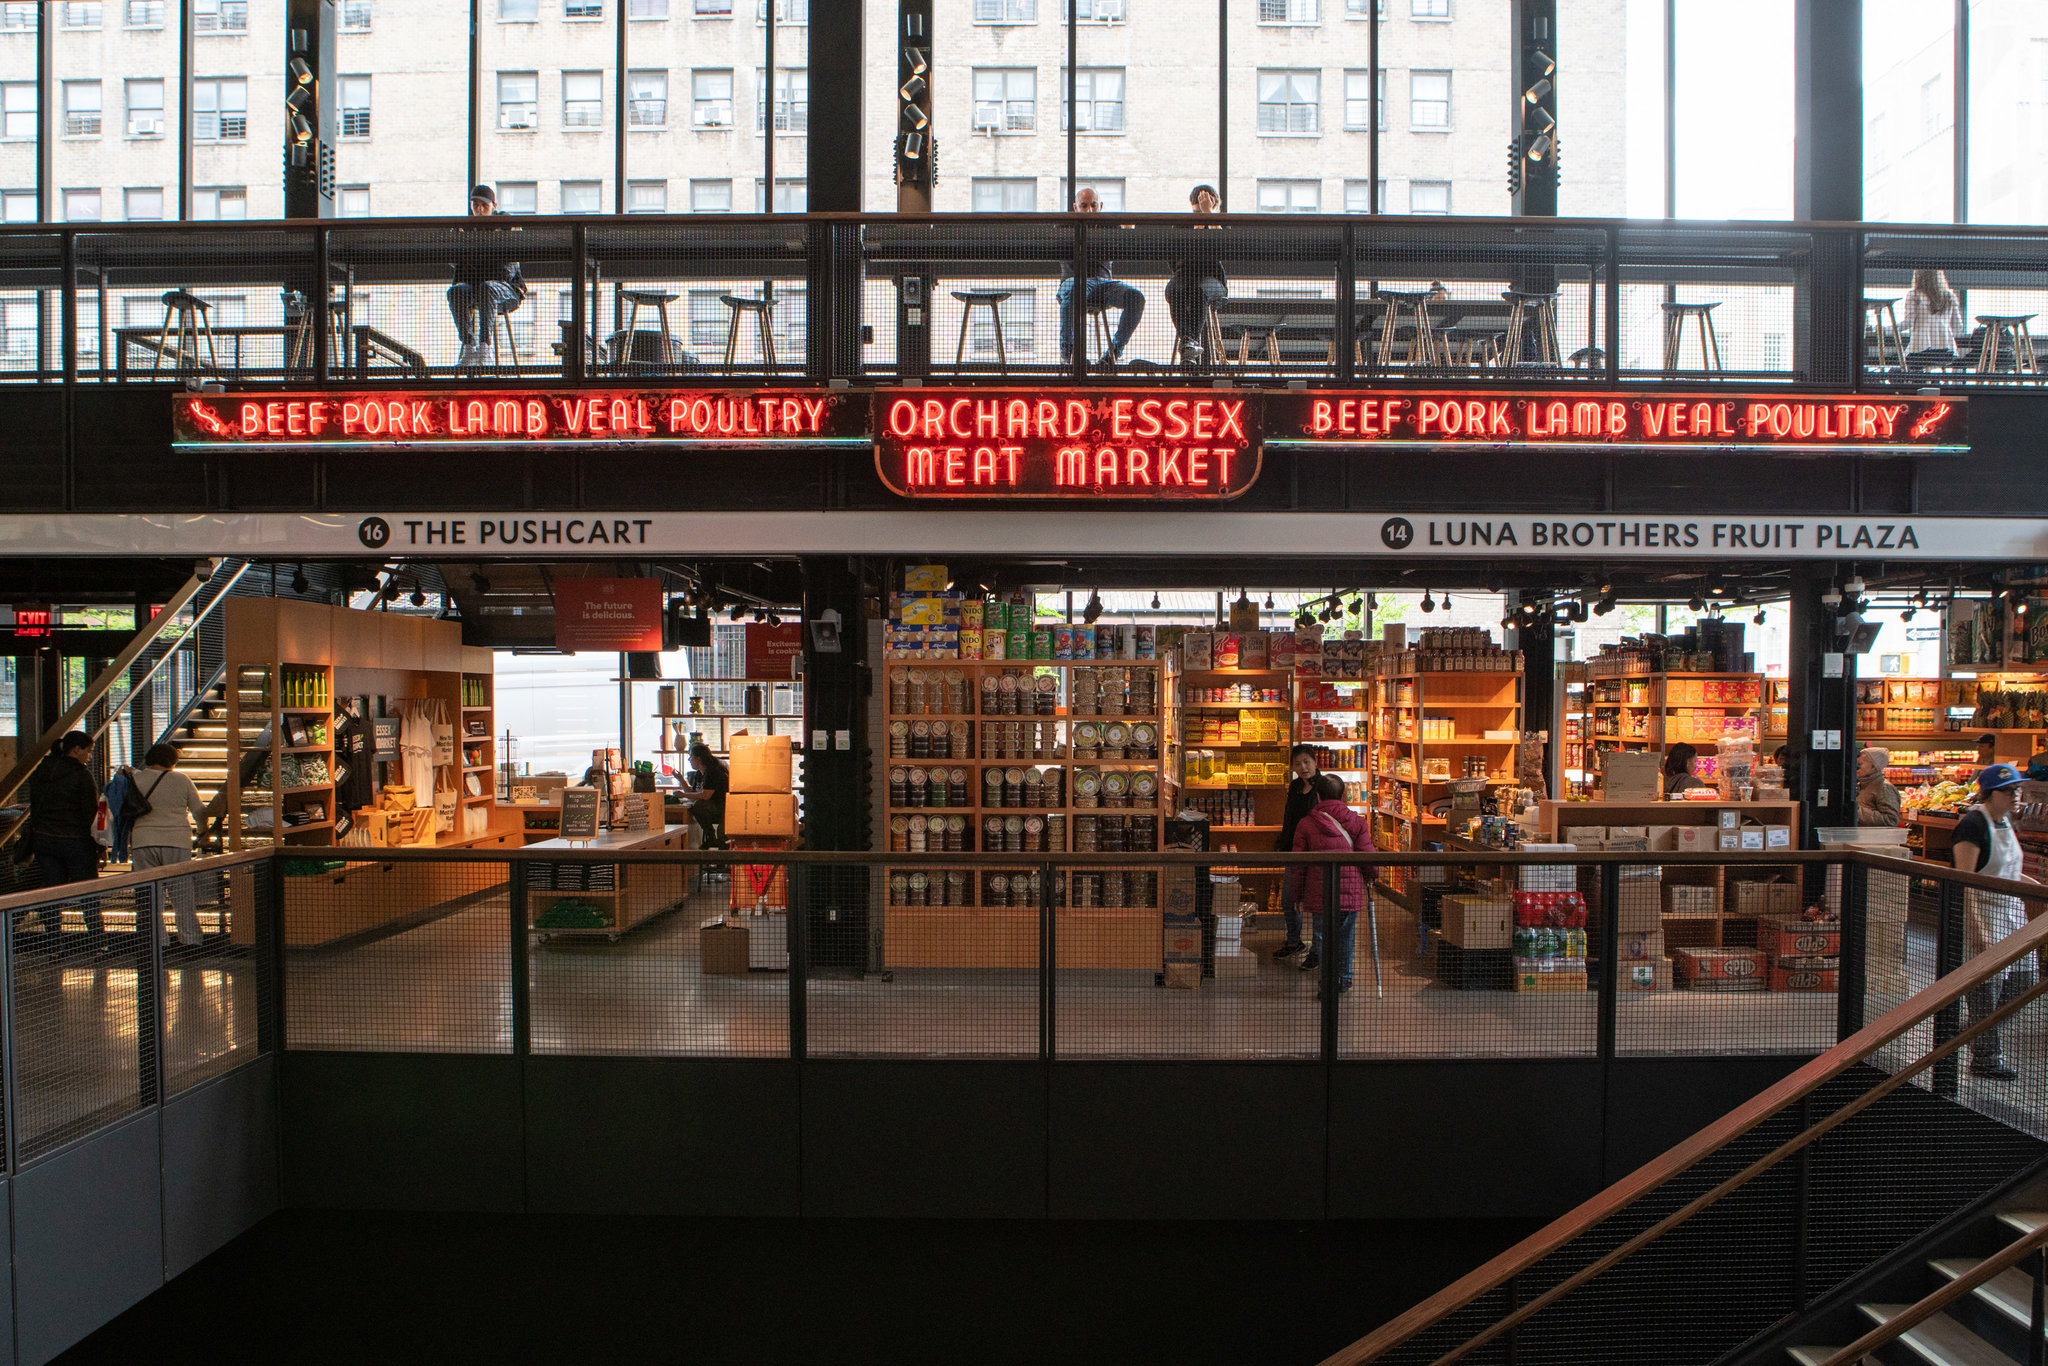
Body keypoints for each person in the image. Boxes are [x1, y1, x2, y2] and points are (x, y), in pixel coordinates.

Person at [1952, 764, 2039, 1080]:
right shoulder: (1973, 825)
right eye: (2008, 790)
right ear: (1990, 793)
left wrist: (2033, 888)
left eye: (2017, 789)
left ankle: (1969, 1034)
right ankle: (1986, 1058)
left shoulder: (2005, 822)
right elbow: (1964, 881)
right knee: (1985, 990)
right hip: (1985, 915)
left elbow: (2009, 869)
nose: (2016, 795)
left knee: (2023, 983)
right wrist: (1977, 930)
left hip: (2011, 915)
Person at [1285, 773, 1376, 993]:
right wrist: (1372, 876)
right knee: (1346, 937)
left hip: (1319, 892)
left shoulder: (1306, 824)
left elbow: (1298, 866)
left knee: (1323, 938)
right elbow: (1368, 855)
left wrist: (1295, 895)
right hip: (1350, 890)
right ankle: (1343, 979)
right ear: (1343, 794)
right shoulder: (1357, 821)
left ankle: (1326, 983)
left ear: (1318, 795)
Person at [125, 743, 211, 949]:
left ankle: (157, 942)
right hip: (176, 840)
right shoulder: (181, 779)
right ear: (172, 761)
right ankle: (190, 940)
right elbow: (199, 810)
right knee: (182, 893)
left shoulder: (134, 780)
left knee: (149, 895)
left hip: (143, 841)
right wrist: (202, 832)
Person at [27, 731, 104, 948]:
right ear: (76, 749)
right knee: (87, 893)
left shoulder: (42, 771)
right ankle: (98, 943)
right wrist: (98, 845)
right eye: (88, 751)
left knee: (52, 892)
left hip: (44, 840)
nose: (88, 757)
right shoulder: (81, 775)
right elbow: (90, 812)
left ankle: (54, 945)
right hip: (75, 842)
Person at [1058, 187, 1144, 372]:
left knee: (1136, 297)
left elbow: (1126, 246)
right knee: (1076, 287)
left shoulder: (1109, 226)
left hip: (1103, 283)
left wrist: (1127, 232)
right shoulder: (1065, 226)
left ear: (1101, 206)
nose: (1089, 210)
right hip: (1075, 281)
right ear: (1075, 207)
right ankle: (1070, 353)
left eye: (1093, 205)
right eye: (1084, 206)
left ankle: (1113, 353)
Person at [447, 184, 528, 371]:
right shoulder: (465, 229)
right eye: (475, 205)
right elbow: (453, 260)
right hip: (476, 289)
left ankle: (485, 347)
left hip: (507, 291)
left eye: (484, 205)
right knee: (455, 292)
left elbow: (507, 271)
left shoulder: (506, 226)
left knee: (488, 288)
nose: (479, 210)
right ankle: (469, 345)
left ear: (494, 205)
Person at [1164, 183, 1227, 369]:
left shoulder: (1219, 224)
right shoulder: (1182, 226)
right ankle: (1188, 341)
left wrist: (1209, 217)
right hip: (1186, 277)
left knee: (1200, 291)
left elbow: (1223, 249)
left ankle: (1188, 343)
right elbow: (1173, 259)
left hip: (1213, 280)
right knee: (1174, 289)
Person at [1271, 744, 1323, 960]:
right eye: (1298, 763)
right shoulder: (1294, 787)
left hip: (1317, 853)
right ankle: (1294, 941)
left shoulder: (1324, 787)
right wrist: (1284, 843)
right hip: (1294, 850)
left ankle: (1318, 951)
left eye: (1307, 762)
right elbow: (1289, 818)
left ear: (1315, 762)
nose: (1303, 767)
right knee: (1288, 899)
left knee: (1317, 904)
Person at [1902, 269, 1965, 363]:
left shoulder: (1914, 295)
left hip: (1920, 350)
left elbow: (1907, 323)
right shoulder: (1949, 295)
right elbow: (1958, 326)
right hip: (1946, 351)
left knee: (1901, 366)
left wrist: (1885, 329)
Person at [685, 741, 729, 855]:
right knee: (697, 805)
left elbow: (705, 795)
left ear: (698, 759)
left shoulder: (713, 772)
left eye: (691, 757)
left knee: (722, 834)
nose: (689, 760)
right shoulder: (699, 774)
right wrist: (681, 780)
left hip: (724, 807)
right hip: (713, 807)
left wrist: (683, 795)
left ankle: (712, 839)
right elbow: (694, 794)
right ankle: (710, 835)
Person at [1856, 746, 1902, 828]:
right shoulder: (1861, 785)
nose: (1856, 767)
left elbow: (1891, 820)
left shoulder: (1884, 787)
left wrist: (1856, 811)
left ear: (1873, 766)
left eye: (1860, 764)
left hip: (1875, 839)